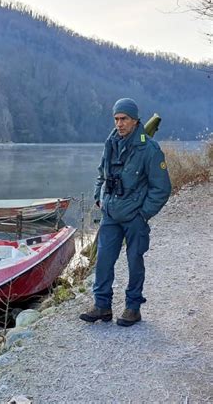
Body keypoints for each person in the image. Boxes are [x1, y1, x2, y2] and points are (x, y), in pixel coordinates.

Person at [80, 98, 171, 326]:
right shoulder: (111, 143)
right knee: (103, 261)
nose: (119, 124)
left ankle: (132, 308)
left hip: (134, 217)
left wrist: (143, 213)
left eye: (124, 119)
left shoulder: (149, 149)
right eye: (116, 119)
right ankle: (101, 306)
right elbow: (101, 174)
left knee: (134, 261)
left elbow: (162, 188)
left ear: (135, 120)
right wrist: (99, 199)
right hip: (110, 214)